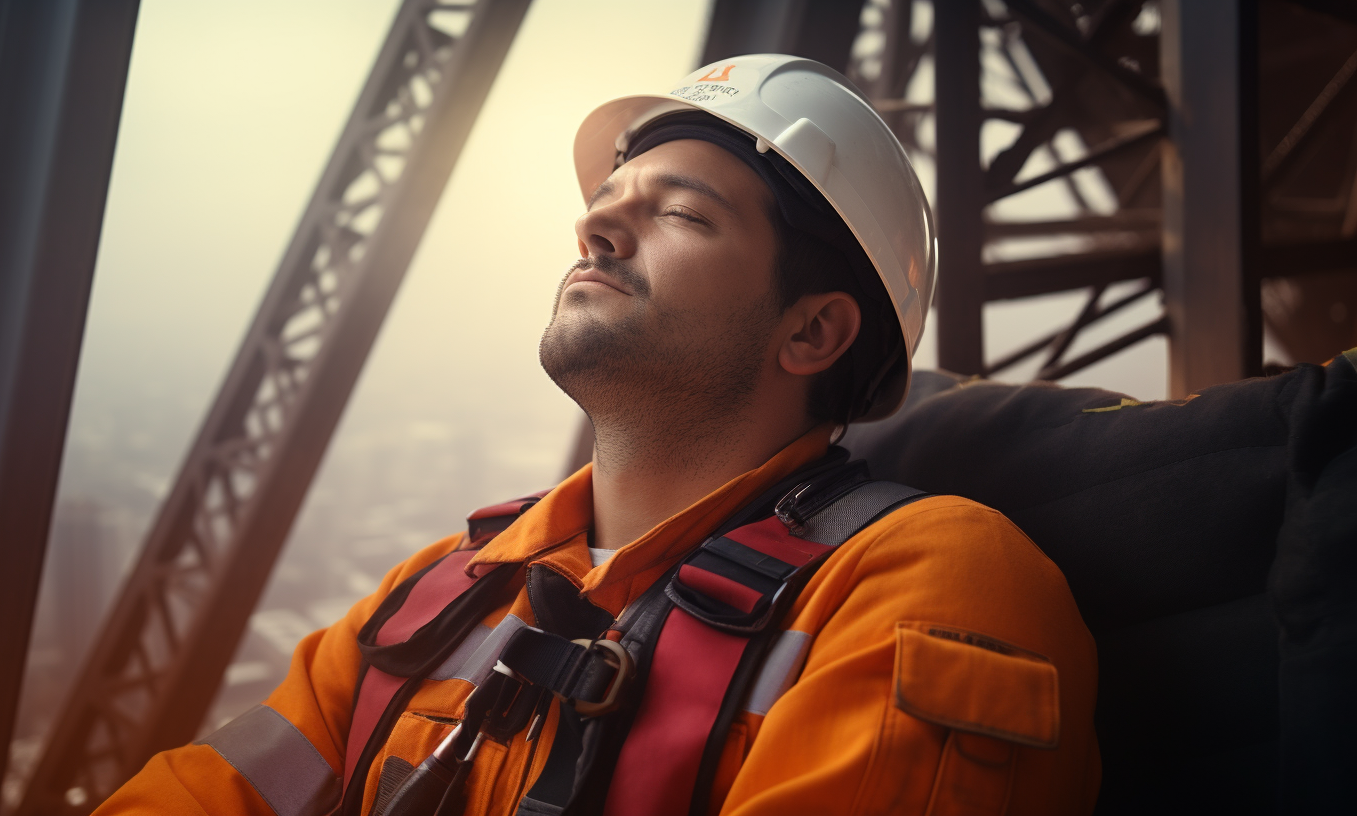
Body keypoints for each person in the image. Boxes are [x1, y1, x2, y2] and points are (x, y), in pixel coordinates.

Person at [96, 55, 1098, 816]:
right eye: (605, 207)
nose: (598, 231)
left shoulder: (930, 585)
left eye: (682, 216)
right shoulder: (437, 593)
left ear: (811, 331)